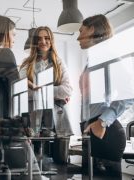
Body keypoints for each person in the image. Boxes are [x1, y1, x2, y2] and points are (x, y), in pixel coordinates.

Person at [0, 15, 41, 180]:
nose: (14, 39)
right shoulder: (5, 53)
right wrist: (26, 128)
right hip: (8, 129)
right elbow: (16, 96)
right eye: (13, 34)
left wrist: (22, 81)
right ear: (4, 33)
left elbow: (2, 89)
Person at [77, 14, 132, 177]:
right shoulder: (93, 58)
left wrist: (102, 121)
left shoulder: (107, 56)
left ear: (92, 30)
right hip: (90, 128)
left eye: (81, 31)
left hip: (104, 131)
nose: (78, 37)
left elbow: (129, 92)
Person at [19, 26, 73, 163]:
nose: (43, 41)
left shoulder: (59, 63)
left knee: (60, 164)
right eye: (39, 38)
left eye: (47, 38)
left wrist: (38, 89)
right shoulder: (27, 64)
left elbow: (67, 90)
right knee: (33, 163)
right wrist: (54, 92)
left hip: (58, 120)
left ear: (51, 40)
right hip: (33, 119)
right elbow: (21, 92)